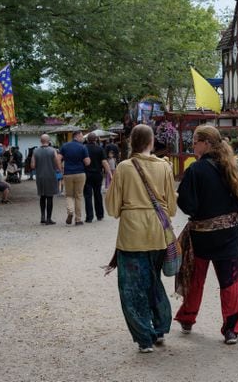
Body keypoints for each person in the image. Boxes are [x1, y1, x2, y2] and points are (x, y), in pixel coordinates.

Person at [174, 125, 238, 345]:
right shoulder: (235, 167)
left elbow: (188, 204)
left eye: (195, 143)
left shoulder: (195, 170)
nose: (193, 147)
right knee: (231, 280)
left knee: (195, 278)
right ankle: (232, 329)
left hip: (202, 235)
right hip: (228, 234)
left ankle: (187, 318)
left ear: (206, 143)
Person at [105, 124, 177, 353]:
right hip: (157, 232)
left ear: (131, 142)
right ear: (151, 141)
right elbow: (172, 208)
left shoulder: (124, 168)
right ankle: (160, 328)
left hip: (131, 234)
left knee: (131, 288)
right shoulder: (165, 167)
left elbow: (113, 208)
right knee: (153, 281)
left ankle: (143, 336)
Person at [59, 130, 90, 225]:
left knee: (69, 195)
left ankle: (70, 211)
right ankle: (78, 219)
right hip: (80, 173)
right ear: (77, 136)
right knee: (78, 196)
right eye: (81, 136)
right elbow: (87, 162)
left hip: (68, 173)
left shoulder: (65, 146)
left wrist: (61, 169)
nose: (82, 138)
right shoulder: (83, 147)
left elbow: (57, 158)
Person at [31, 134, 62, 225]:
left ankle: (42, 217)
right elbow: (57, 163)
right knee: (50, 197)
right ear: (49, 141)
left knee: (42, 196)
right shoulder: (53, 151)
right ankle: (49, 219)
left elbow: (32, 165)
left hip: (40, 176)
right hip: (51, 176)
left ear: (41, 141)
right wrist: (60, 170)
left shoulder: (35, 151)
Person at [83, 133, 111, 222]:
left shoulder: (84, 148)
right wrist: (109, 173)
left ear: (87, 139)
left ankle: (89, 217)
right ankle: (100, 215)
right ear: (96, 139)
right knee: (97, 194)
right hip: (97, 174)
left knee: (87, 196)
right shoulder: (100, 149)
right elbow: (104, 162)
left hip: (86, 174)